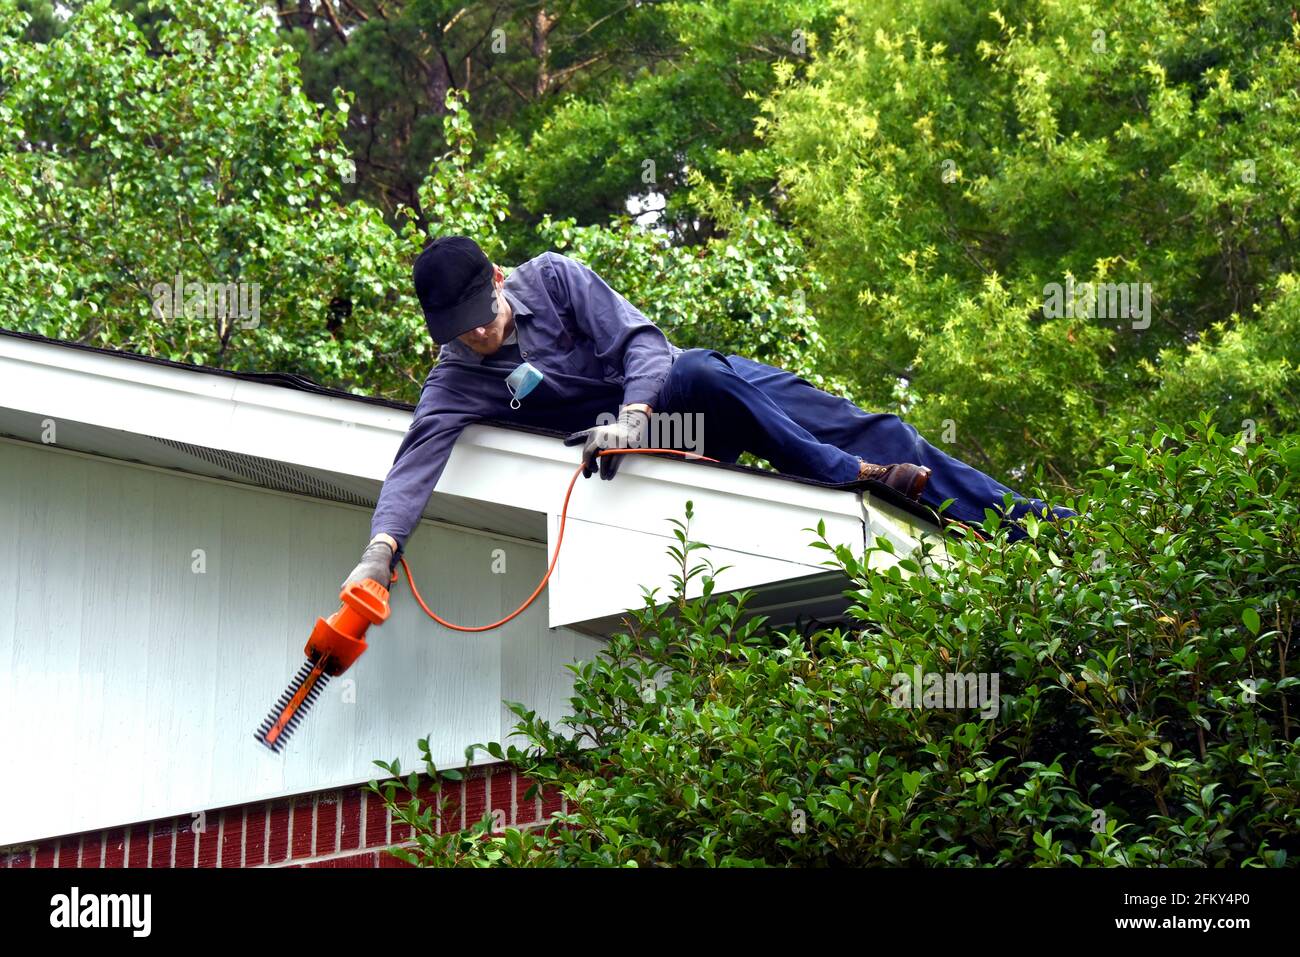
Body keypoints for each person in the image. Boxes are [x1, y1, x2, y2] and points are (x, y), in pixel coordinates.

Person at [343, 235, 1072, 587]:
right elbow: (416, 459)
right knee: (834, 444)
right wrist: (380, 555)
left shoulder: (556, 278)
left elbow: (647, 347)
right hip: (641, 448)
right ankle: (857, 474)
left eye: (481, 313)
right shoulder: (457, 376)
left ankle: (1043, 530)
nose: (476, 333)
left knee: (880, 427)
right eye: (457, 328)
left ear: (498, 279)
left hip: (679, 395)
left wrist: (631, 414)